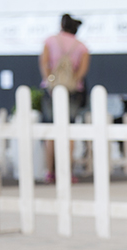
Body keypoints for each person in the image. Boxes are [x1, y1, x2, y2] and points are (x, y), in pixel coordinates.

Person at [39, 14, 90, 183]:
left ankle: (50, 172)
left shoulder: (50, 41)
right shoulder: (81, 46)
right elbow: (82, 71)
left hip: (52, 90)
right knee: (69, 131)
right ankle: (67, 171)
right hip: (72, 92)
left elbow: (44, 62)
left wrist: (50, 82)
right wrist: (73, 82)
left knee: (50, 131)